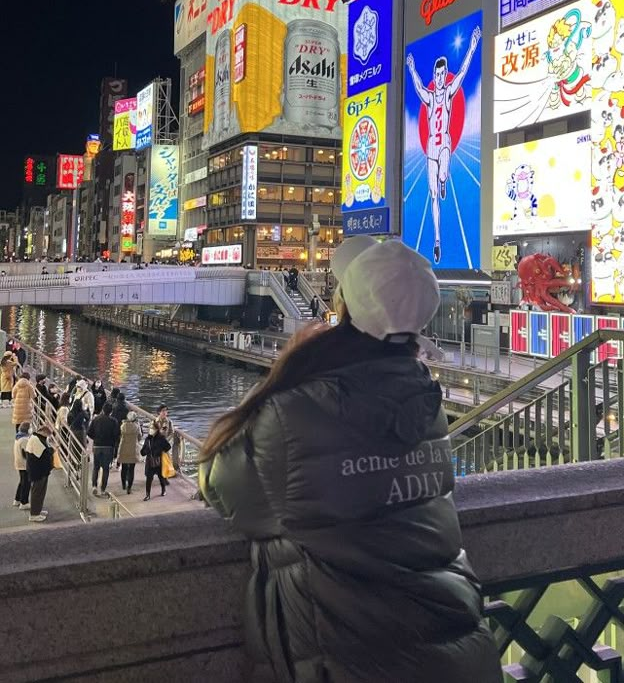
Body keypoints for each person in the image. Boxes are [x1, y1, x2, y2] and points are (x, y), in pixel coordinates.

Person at [199, 239, 502, 682]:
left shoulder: (293, 410)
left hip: (353, 657)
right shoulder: (425, 398)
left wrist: (285, 373)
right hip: (458, 645)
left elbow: (222, 485)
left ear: (343, 309)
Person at [406, 24, 481, 265]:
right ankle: (437, 240)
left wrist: (472, 46)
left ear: (444, 73)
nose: (439, 79)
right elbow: (417, 86)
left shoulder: (448, 93)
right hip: (431, 149)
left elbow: (464, 72)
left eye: (442, 74)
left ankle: (443, 178)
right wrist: (411, 68)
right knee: (433, 196)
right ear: (434, 76)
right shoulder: (429, 97)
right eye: (436, 75)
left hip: (445, 145)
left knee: (442, 175)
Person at [87, 402, 120, 498]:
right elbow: (116, 435)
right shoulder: (114, 421)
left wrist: (96, 438)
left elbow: (89, 433)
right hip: (108, 447)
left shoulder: (96, 419)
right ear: (111, 412)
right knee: (105, 469)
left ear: (102, 409)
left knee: (96, 467)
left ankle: (94, 486)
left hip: (97, 446)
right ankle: (103, 489)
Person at [25, 425, 54, 522]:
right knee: (37, 492)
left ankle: (38, 510)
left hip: (41, 471)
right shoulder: (36, 440)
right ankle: (34, 514)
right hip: (38, 472)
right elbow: (44, 454)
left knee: (40, 492)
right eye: (48, 435)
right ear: (44, 432)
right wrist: (52, 450)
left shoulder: (38, 438)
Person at [141, 421, 170, 501]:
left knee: (161, 477)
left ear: (157, 429)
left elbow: (168, 447)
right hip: (149, 461)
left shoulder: (161, 438)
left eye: (152, 428)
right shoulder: (148, 439)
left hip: (159, 461)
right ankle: (147, 494)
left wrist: (160, 451)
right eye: (150, 428)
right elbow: (142, 452)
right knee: (149, 479)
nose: (151, 430)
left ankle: (163, 490)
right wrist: (145, 451)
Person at [117, 412, 140, 494]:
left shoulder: (123, 426)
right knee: (131, 469)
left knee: (124, 468)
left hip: (123, 448)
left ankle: (123, 485)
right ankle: (129, 488)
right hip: (133, 449)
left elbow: (119, 435)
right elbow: (140, 436)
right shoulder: (137, 426)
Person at [13, 421, 31, 509]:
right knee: (26, 483)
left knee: (22, 482)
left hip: (19, 463)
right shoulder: (24, 440)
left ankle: (17, 499)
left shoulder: (18, 437)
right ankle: (24, 502)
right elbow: (25, 454)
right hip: (24, 464)